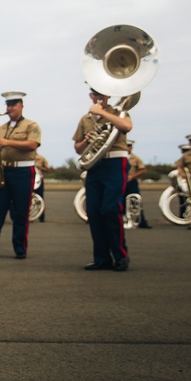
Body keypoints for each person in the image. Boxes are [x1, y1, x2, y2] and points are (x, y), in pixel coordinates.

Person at [73, 87, 132, 270]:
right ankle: (101, 258)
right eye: (95, 95)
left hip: (115, 163)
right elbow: (77, 147)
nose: (98, 98)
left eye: (101, 95)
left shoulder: (120, 112)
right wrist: (87, 141)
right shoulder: (85, 119)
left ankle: (120, 256)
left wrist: (101, 113)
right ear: (91, 96)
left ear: (108, 96)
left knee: (110, 209)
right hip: (94, 165)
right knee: (94, 212)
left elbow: (126, 126)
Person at [0, 91, 41, 260]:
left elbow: (32, 144)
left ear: (21, 106)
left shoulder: (31, 125)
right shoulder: (1, 128)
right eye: (7, 105)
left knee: (21, 213)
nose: (9, 108)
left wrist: (7, 142)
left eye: (13, 105)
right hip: (3, 171)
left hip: (23, 171)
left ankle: (20, 249)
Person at [125, 140, 151, 228]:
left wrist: (133, 176)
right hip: (121, 181)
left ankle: (141, 221)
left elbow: (143, 170)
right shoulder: (120, 157)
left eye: (129, 146)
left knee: (136, 201)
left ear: (131, 147)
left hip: (131, 182)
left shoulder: (136, 158)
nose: (127, 147)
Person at [34, 153, 53, 222]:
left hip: (38, 180)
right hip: (28, 179)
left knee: (40, 198)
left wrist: (40, 168)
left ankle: (41, 216)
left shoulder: (41, 158)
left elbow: (48, 170)